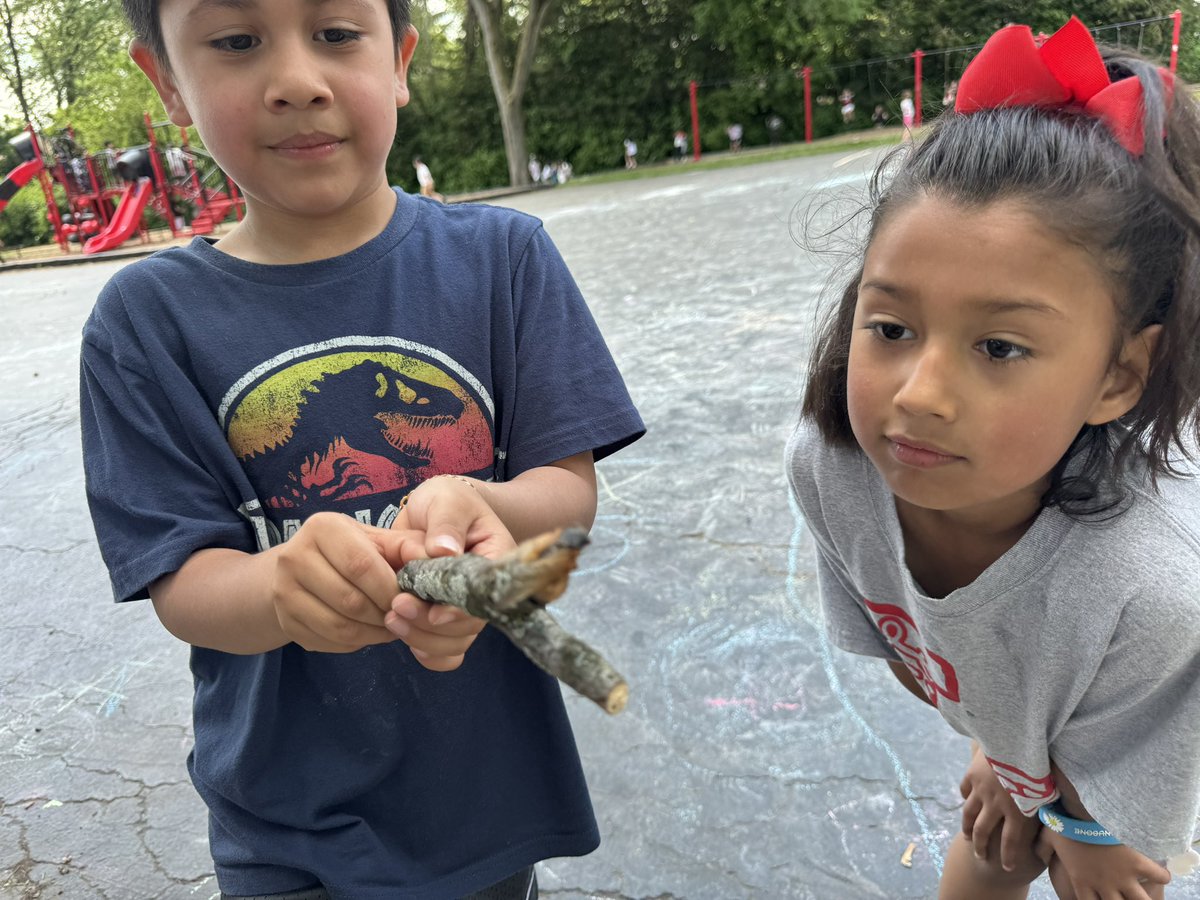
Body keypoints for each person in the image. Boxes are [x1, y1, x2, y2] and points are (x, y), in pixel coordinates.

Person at [79, 0, 646, 896]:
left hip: (486, 797)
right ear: (168, 82)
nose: (298, 82)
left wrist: (487, 505)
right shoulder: (144, 323)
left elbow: (567, 489)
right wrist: (278, 589)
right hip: (286, 819)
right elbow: (181, 581)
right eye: (236, 42)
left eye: (337, 34)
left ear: (400, 61)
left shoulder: (506, 259)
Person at [789, 17, 1200, 900]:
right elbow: (922, 653)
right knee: (997, 830)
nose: (921, 394)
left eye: (1000, 348)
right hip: (1035, 706)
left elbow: (1148, 762)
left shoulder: (1155, 585)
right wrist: (1012, 760)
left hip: (1144, 731)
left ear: (1121, 375)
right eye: (892, 327)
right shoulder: (834, 468)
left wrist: (1076, 819)